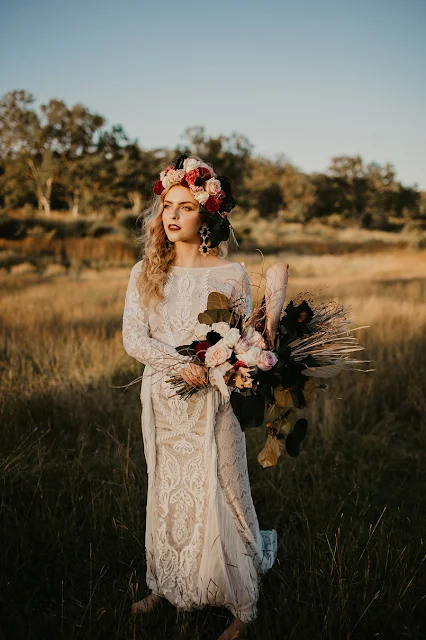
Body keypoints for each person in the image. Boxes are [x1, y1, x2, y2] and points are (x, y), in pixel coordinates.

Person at [122, 154, 277, 640]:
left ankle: (239, 600)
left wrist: (222, 368)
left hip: (215, 401)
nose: (171, 215)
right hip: (165, 400)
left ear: (207, 216)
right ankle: (167, 583)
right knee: (168, 488)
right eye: (167, 205)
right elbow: (135, 339)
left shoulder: (231, 275)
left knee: (221, 484)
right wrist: (183, 366)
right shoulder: (144, 272)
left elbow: (250, 341)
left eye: (184, 207)